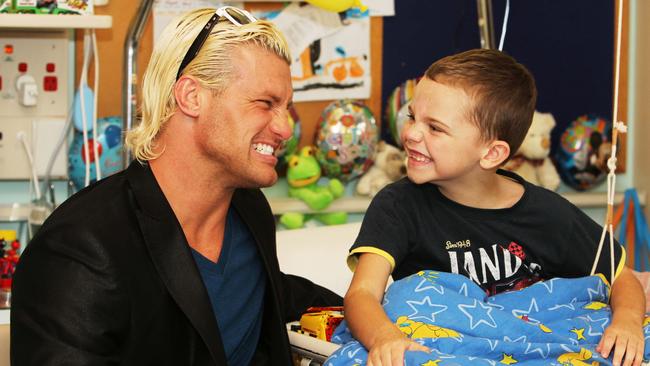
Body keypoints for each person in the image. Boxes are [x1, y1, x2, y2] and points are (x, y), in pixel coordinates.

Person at [11, 6, 342, 365]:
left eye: (286, 107)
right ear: (191, 96)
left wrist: (377, 310)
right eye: (266, 103)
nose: (285, 128)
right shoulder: (80, 250)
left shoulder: (249, 211)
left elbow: (266, 293)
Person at [343, 49, 646, 366]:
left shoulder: (547, 213)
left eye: (435, 128)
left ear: (491, 153)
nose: (411, 134)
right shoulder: (398, 205)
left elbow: (622, 278)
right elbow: (362, 295)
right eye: (412, 117)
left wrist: (626, 320)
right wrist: (384, 337)